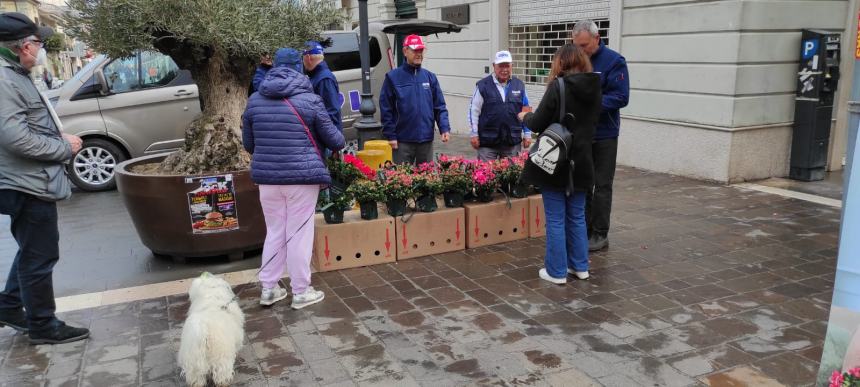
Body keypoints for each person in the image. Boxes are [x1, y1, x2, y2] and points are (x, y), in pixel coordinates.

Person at [0, 12, 89, 344]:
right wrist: (62, 147)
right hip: (27, 182)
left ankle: (9, 305)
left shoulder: (15, 74)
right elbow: (16, 138)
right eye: (39, 42)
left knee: (32, 249)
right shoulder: (5, 81)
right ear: (24, 46)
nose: (42, 48)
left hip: (29, 179)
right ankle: (42, 325)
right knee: (40, 254)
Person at [242, 48, 344, 309]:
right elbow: (336, 140)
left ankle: (269, 288)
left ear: (274, 67)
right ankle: (300, 291)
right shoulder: (309, 100)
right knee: (299, 233)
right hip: (301, 178)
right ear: (298, 67)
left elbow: (249, 144)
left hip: (268, 180)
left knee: (275, 230)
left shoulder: (254, 99)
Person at [517, 44, 601, 285]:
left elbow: (538, 121)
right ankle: (580, 267)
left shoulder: (559, 86)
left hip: (557, 162)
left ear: (560, 63)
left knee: (555, 218)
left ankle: (556, 271)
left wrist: (524, 116)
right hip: (584, 161)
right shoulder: (595, 87)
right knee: (577, 216)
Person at [570, 20, 630, 252]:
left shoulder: (614, 61)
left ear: (597, 38)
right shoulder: (576, 59)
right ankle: (582, 228)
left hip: (605, 134)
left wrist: (590, 104)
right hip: (582, 133)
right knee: (583, 184)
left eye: (585, 45)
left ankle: (600, 233)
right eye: (577, 46)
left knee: (602, 185)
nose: (581, 51)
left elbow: (621, 97)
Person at [379, 34, 450, 165]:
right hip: (402, 141)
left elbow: (439, 106)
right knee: (402, 181)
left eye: (421, 50)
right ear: (405, 51)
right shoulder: (393, 77)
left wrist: (444, 127)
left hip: (426, 140)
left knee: (426, 180)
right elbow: (386, 109)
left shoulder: (430, 77)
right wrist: (391, 135)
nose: (419, 54)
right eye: (415, 50)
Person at [469, 50, 532, 161]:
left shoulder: (519, 85)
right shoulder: (483, 85)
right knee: (486, 175)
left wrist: (527, 133)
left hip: (512, 141)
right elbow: (474, 111)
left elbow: (526, 111)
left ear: (512, 66)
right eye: (500, 66)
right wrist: (474, 134)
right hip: (488, 142)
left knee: (511, 176)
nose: (504, 70)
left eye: (507, 66)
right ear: (494, 66)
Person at [303, 41, 342, 135]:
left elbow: (331, 112)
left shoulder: (324, 79)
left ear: (308, 57)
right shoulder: (320, 76)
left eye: (302, 58)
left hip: (327, 139)